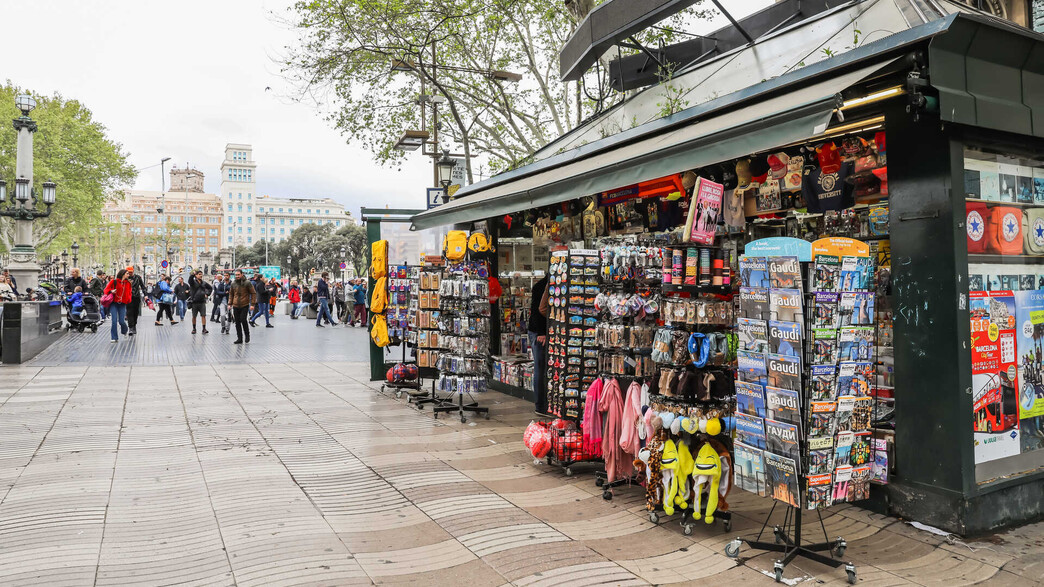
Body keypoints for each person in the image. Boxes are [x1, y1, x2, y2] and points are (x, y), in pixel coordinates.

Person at [533, 274, 551, 416]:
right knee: (540, 368)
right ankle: (540, 406)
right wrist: (541, 332)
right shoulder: (542, 286)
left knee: (542, 368)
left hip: (543, 331)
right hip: (540, 333)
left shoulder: (542, 285)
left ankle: (544, 405)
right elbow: (538, 310)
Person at [229, 269, 256, 344]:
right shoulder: (233, 283)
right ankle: (239, 338)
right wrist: (229, 303)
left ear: (242, 274)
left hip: (245, 304)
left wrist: (253, 304)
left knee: (243, 319)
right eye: (236, 275)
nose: (237, 276)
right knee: (237, 322)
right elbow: (231, 294)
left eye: (238, 275)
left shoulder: (247, 283)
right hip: (235, 304)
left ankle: (247, 335)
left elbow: (253, 293)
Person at [104, 269, 132, 343]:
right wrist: (111, 291)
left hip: (122, 303)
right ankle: (114, 337)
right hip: (114, 303)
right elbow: (106, 290)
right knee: (114, 320)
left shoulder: (128, 283)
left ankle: (125, 330)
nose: (128, 275)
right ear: (122, 274)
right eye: (127, 273)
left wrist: (128, 300)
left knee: (122, 321)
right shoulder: (114, 281)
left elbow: (129, 293)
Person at [125, 266, 147, 336]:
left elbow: (143, 286)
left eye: (131, 272)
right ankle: (131, 327)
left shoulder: (138, 278)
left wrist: (145, 295)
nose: (130, 274)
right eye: (128, 272)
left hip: (136, 297)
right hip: (128, 297)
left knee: (136, 312)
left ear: (133, 271)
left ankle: (134, 325)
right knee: (129, 312)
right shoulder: (125, 279)